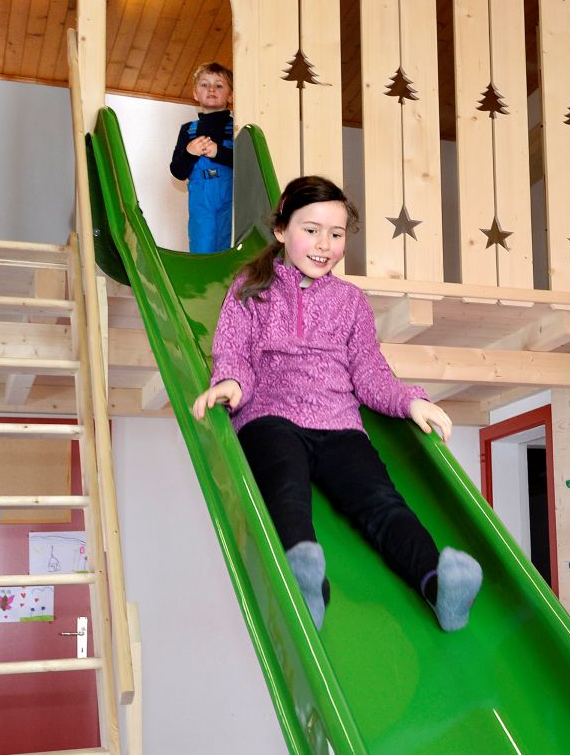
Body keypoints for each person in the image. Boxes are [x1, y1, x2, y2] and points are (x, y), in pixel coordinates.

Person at [191, 176, 481, 632]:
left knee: (381, 503)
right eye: (311, 230)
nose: (324, 244)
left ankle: (437, 586)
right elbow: (234, 349)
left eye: (336, 233)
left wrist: (411, 402)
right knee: (286, 491)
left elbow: (368, 371)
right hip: (271, 415)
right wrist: (231, 383)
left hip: (339, 424)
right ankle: (306, 585)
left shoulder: (350, 301)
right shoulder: (251, 286)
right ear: (282, 230)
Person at [170, 62, 235, 254]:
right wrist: (189, 153)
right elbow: (178, 171)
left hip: (231, 198)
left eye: (219, 85)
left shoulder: (236, 127)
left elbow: (247, 165)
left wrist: (219, 153)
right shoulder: (188, 130)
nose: (212, 89)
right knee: (202, 247)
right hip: (201, 200)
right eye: (205, 84)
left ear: (230, 95)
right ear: (195, 94)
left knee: (228, 248)